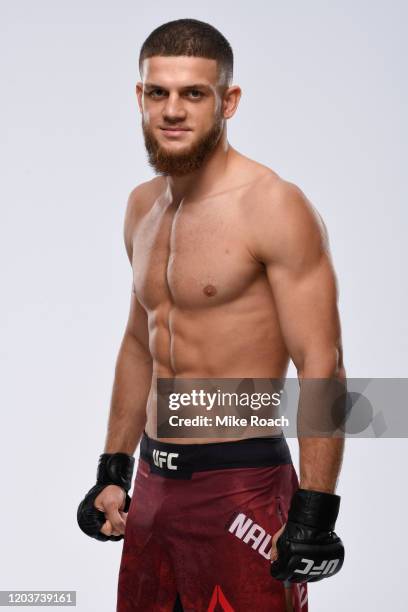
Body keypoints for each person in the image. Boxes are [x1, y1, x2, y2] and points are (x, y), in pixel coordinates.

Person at [77, 18, 346, 612]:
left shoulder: (273, 206)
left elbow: (321, 359)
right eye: (159, 92)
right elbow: (138, 343)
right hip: (153, 484)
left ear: (228, 101)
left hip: (242, 485)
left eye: (193, 94)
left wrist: (316, 509)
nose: (173, 110)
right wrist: (113, 466)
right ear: (140, 97)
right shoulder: (142, 208)